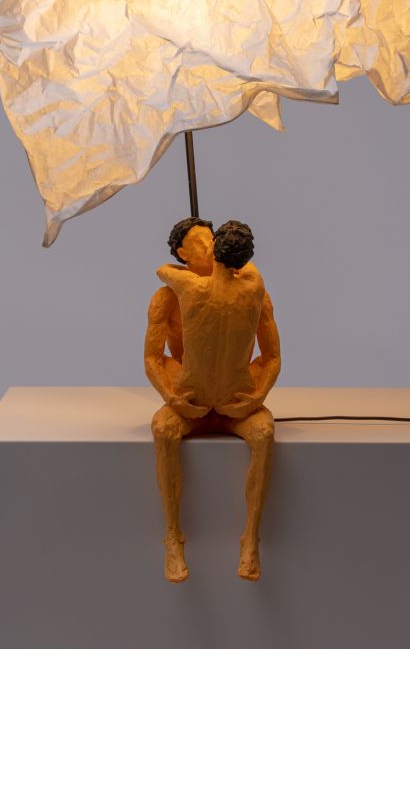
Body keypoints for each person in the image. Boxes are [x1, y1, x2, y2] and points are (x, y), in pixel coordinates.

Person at [144, 218, 281, 583]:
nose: (208, 247)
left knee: (264, 434)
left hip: (235, 400)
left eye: (211, 240)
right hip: (190, 399)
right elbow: (153, 359)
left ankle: (250, 538)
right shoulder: (168, 298)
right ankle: (173, 537)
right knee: (163, 430)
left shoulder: (254, 293)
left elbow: (271, 356)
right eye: (198, 243)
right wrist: (172, 397)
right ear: (182, 254)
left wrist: (256, 397)